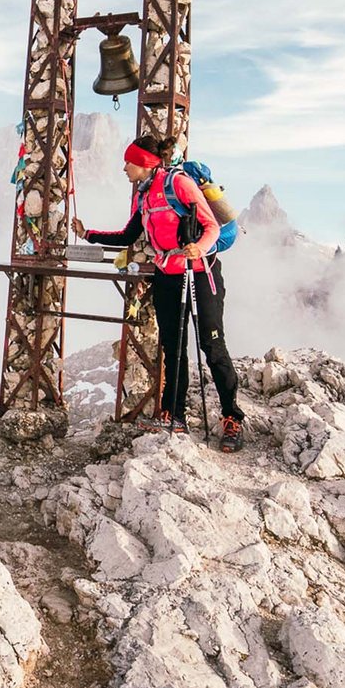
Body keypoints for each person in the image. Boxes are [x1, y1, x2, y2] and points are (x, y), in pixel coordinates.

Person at [74, 134, 247, 451]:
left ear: (143, 162)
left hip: (200, 272)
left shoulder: (178, 184)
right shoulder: (143, 196)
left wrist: (199, 248)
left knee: (211, 345)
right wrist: (88, 234)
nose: (124, 168)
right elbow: (128, 235)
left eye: (128, 162)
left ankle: (232, 418)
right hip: (168, 276)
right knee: (173, 346)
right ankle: (174, 415)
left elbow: (212, 227)